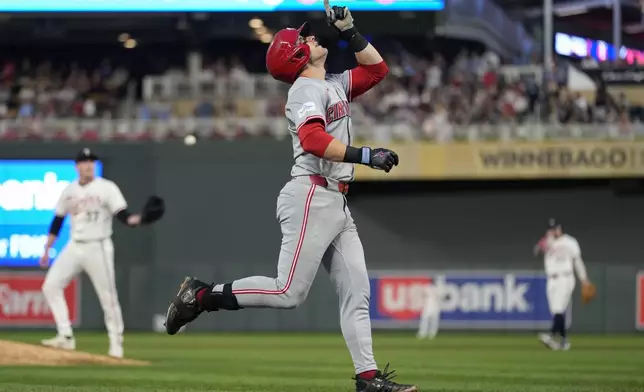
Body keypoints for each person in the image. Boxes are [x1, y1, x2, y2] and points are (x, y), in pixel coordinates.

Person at [164, 2, 418, 391]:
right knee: (287, 292)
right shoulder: (304, 90)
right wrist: (365, 155)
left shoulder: (331, 82)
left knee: (357, 292)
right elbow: (313, 139)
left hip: (335, 200)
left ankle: (368, 378)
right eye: (302, 39)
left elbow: (377, 70)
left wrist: (350, 32)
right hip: (311, 196)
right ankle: (202, 296)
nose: (311, 36)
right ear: (296, 55)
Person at [39, 148, 142, 358]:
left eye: (91, 161)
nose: (89, 165)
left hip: (99, 246)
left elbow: (122, 214)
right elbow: (58, 220)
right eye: (84, 161)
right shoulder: (69, 191)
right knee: (50, 286)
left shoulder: (106, 187)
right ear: (77, 166)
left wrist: (134, 220)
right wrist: (47, 249)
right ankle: (66, 336)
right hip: (75, 245)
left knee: (108, 297)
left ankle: (116, 344)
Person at [534, 218, 592, 351]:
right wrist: (543, 244)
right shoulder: (548, 242)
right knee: (556, 311)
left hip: (565, 277)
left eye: (554, 228)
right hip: (551, 279)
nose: (552, 231)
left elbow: (577, 262)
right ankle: (564, 342)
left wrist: (584, 279)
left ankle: (550, 336)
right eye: (550, 229)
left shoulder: (570, 242)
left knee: (559, 308)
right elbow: (536, 251)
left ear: (559, 228)